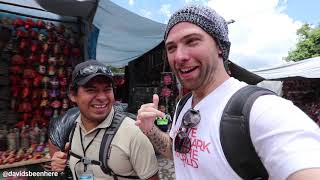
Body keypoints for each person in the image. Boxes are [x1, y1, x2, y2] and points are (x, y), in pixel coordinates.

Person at [136, 4, 320, 180]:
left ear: (219, 46)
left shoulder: (261, 110)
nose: (179, 56)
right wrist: (150, 129)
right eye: (171, 47)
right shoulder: (183, 104)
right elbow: (178, 153)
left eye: (192, 41)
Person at [51, 60, 159, 180]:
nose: (102, 97)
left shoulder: (133, 134)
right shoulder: (72, 128)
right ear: (73, 95)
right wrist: (62, 163)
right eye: (91, 90)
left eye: (107, 89)